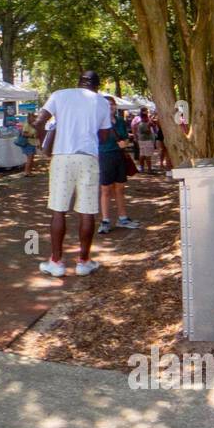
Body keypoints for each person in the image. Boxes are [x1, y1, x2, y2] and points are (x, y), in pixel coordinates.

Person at [27, 71, 108, 277]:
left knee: (58, 210)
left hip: (62, 156)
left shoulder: (59, 94)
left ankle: (56, 262)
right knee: (87, 211)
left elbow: (38, 122)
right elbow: (105, 134)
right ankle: (83, 261)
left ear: (79, 82)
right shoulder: (102, 102)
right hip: (88, 157)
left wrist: (45, 140)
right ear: (96, 86)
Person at [98, 91, 139, 231]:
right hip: (105, 156)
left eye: (112, 105)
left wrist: (126, 143)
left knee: (120, 189)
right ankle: (105, 220)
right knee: (105, 190)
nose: (110, 107)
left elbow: (125, 137)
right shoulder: (97, 122)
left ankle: (122, 218)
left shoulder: (120, 121)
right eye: (107, 105)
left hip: (119, 156)